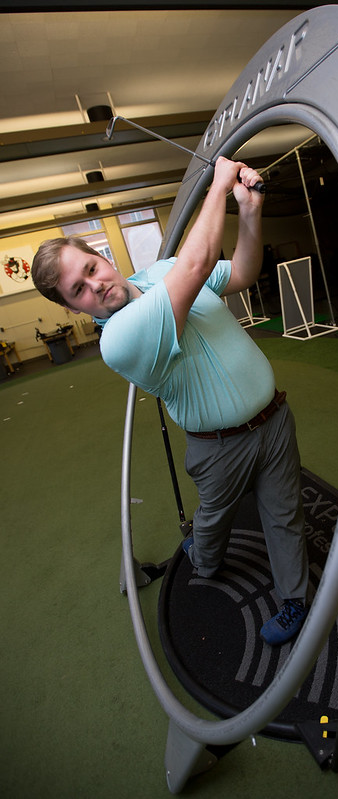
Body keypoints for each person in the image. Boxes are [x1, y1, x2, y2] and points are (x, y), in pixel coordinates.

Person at [31, 156, 309, 646]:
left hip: (274, 419)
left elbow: (242, 272)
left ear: (102, 257)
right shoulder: (119, 338)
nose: (96, 284)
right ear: (74, 307)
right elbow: (198, 262)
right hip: (219, 449)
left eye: (91, 268)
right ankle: (202, 559)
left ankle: (294, 600)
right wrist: (219, 184)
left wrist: (248, 210)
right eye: (79, 289)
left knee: (284, 513)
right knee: (212, 524)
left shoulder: (162, 270)